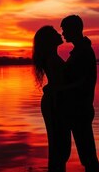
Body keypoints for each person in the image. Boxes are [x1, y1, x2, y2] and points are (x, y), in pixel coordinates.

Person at [60, 15, 99, 172]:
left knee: (87, 154)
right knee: (87, 154)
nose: (63, 33)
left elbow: (82, 82)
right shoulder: (80, 50)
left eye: (65, 30)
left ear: (74, 29)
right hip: (79, 109)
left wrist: (58, 89)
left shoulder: (83, 52)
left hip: (80, 110)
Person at [33, 25, 70, 172]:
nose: (59, 34)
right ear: (49, 40)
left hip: (55, 102)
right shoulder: (52, 59)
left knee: (59, 147)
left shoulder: (53, 57)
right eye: (55, 33)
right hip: (54, 103)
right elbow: (58, 85)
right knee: (59, 147)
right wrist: (82, 82)